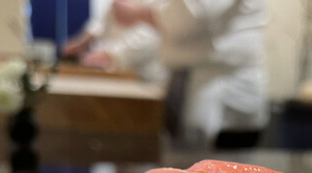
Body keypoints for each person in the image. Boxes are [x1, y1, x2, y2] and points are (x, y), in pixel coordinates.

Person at [113, 0, 269, 149]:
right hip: (204, 79)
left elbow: (187, 16)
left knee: (199, 161)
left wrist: (136, 13)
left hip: (216, 84)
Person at [62, 0, 165, 83]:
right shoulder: (114, 3)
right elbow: (99, 26)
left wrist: (111, 55)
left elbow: (150, 35)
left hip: (145, 78)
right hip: (115, 74)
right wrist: (81, 43)